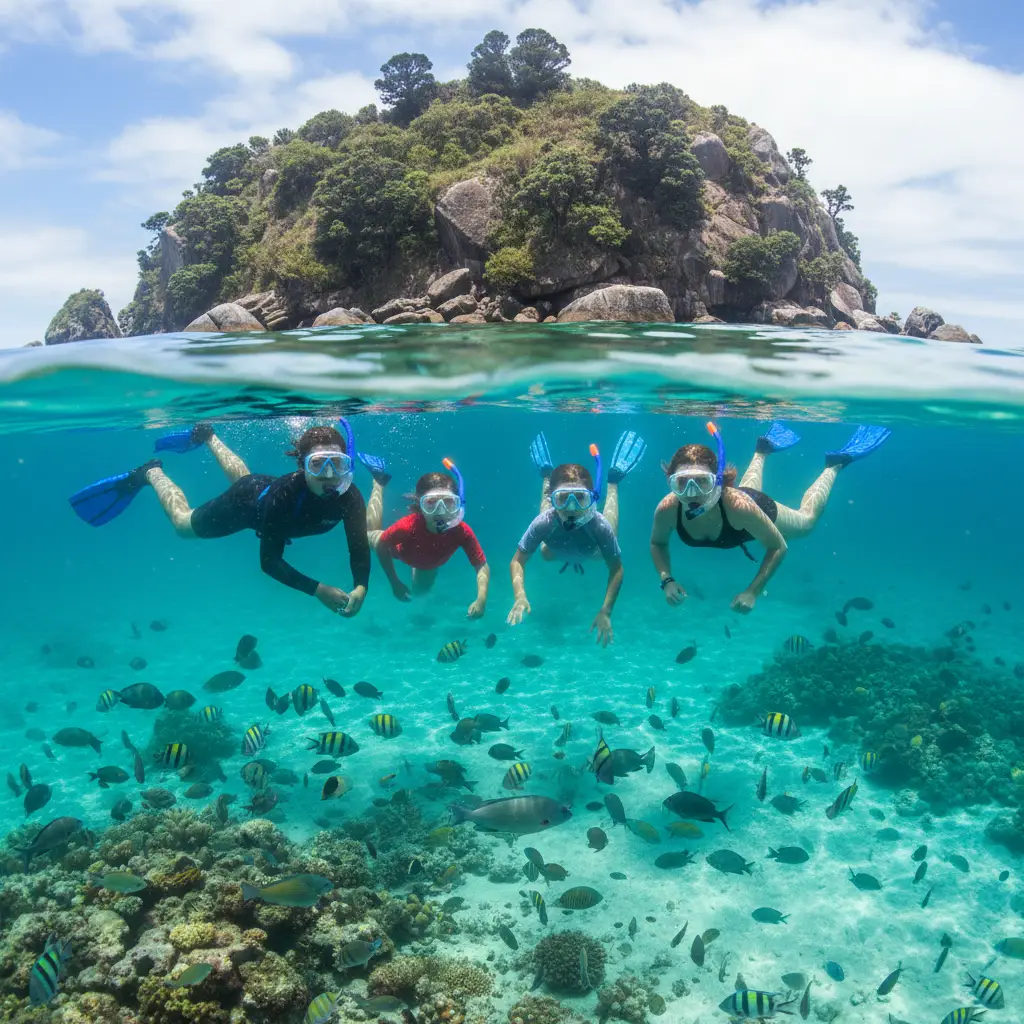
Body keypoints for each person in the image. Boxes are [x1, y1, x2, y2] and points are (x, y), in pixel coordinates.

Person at [68, 420, 371, 617]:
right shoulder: (285, 495)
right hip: (246, 506)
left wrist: (360, 587)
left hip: (260, 489)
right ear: (302, 466)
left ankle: (209, 436)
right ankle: (150, 472)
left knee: (248, 479)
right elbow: (269, 562)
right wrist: (317, 590)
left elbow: (358, 546)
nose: (330, 476)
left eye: (338, 464)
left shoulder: (351, 497)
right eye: (318, 465)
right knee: (182, 525)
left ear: (348, 464)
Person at [650, 421, 890, 614]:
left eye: (703, 482)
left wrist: (753, 592)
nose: (692, 494)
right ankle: (762, 450)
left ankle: (835, 464)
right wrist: (666, 580)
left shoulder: (741, 508)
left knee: (806, 523)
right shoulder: (667, 509)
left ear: (718, 480)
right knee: (745, 492)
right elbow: (657, 543)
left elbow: (778, 547)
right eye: (681, 483)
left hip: (752, 505)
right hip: (738, 502)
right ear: (670, 482)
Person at [507, 431, 647, 647]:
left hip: (590, 549)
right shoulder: (545, 521)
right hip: (557, 547)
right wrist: (520, 595)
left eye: (580, 498)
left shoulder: (597, 525)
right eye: (563, 498)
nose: (572, 508)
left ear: (592, 497)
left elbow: (617, 568)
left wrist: (606, 611)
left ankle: (613, 481)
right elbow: (517, 560)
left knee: (603, 543)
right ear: (553, 498)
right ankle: (547, 476)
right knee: (545, 551)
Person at [360, 453, 490, 618]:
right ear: (420, 505)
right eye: (431, 503)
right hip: (397, 551)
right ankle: (378, 481)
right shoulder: (407, 527)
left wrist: (481, 599)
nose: (440, 512)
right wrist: (394, 582)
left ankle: (417, 570)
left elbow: (481, 565)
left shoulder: (461, 531)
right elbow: (382, 546)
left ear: (458, 505)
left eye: (448, 503)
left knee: (421, 592)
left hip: (426, 562)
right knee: (369, 534)